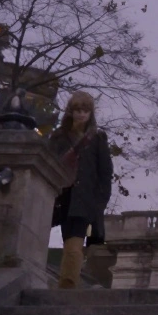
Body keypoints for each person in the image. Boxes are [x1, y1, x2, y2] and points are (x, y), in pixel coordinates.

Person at [48, 91, 113, 289]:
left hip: (82, 200)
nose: (81, 114)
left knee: (74, 245)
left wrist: (99, 202)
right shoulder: (58, 137)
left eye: (85, 110)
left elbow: (105, 172)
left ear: (90, 113)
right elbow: (48, 164)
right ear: (71, 111)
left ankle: (67, 285)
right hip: (58, 196)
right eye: (77, 110)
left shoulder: (98, 138)